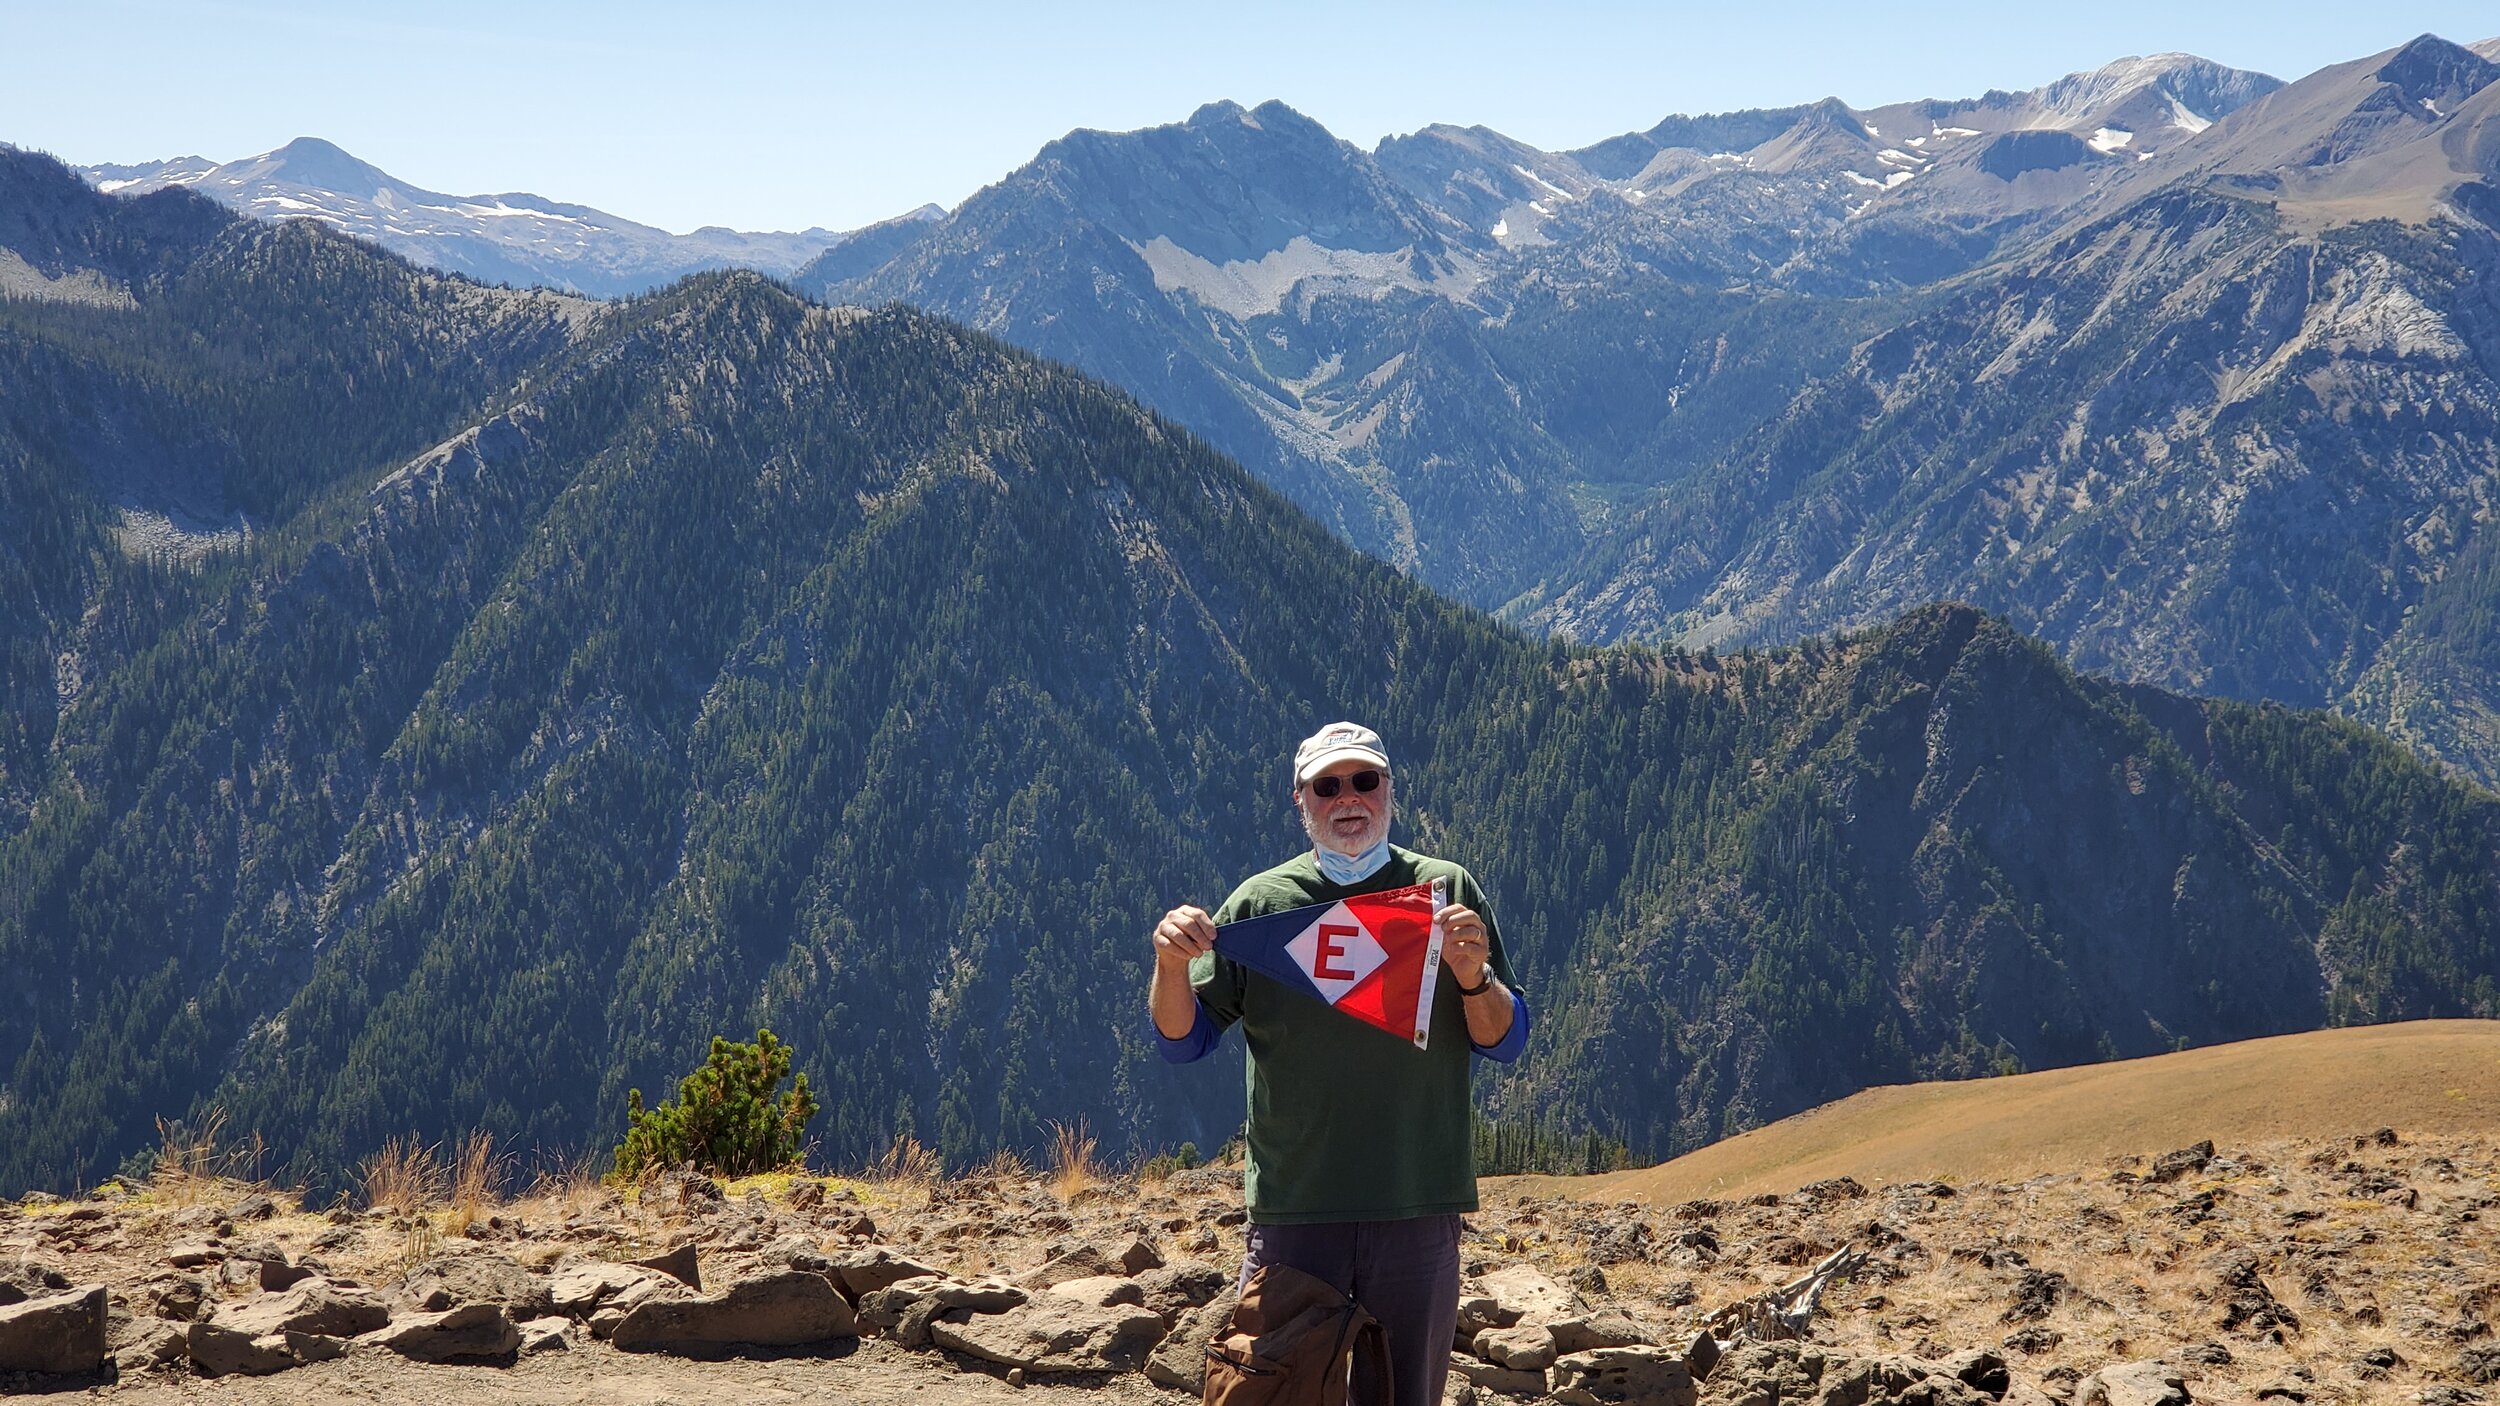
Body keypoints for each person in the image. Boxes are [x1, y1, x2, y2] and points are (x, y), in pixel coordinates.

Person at [1151, 721, 1530, 1406]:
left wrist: (1475, 977)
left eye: (1364, 780)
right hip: (1296, 1211)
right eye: (1328, 785)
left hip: (1416, 1205)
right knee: (1270, 1393)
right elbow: (1185, 1040)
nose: (1347, 798)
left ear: (1389, 790)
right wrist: (1170, 965)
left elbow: (1507, 1039)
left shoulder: (1445, 889)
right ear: (1300, 800)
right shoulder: (1260, 906)